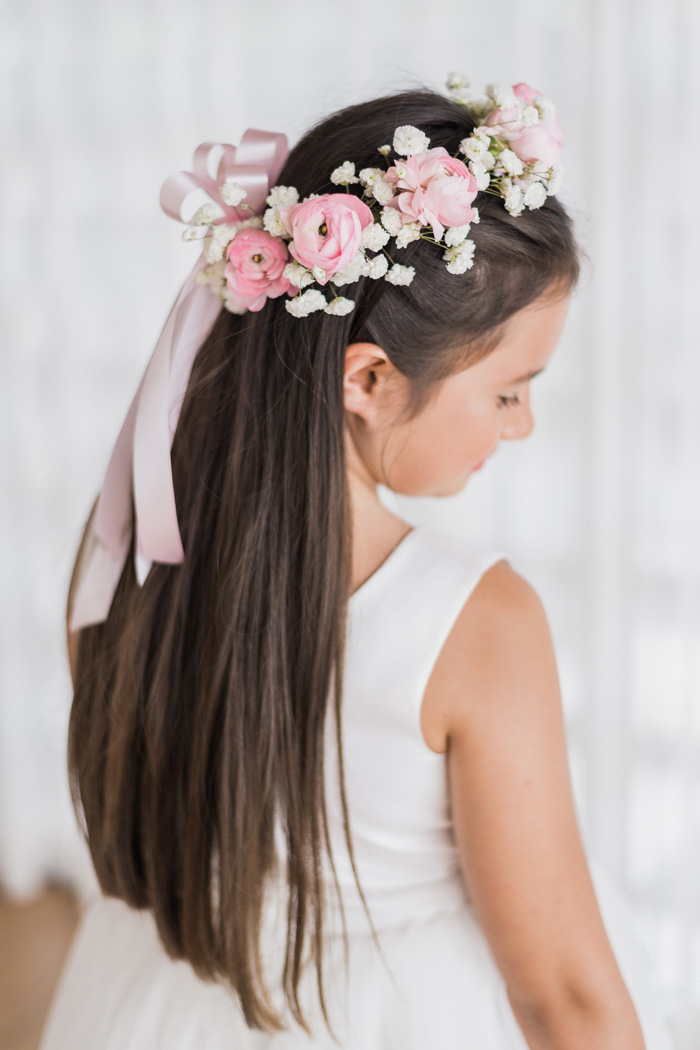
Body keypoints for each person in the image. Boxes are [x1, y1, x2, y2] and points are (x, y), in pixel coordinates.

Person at [39, 77, 677, 1049]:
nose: (524, 425)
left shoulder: (126, 532)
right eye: (508, 392)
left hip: (149, 1005)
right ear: (369, 379)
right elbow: (564, 997)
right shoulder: (473, 623)